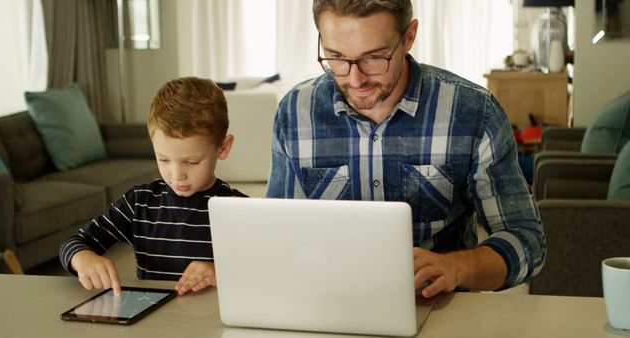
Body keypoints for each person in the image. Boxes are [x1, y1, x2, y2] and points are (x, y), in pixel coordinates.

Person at [266, 0, 546, 298]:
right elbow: (279, 235)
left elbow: (527, 240)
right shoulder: (295, 112)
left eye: (374, 58)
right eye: (336, 57)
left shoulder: (474, 112)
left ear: (409, 37)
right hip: (327, 303)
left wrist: (456, 267)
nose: (355, 79)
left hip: (439, 308)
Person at [59, 77, 246, 296]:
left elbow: (264, 268)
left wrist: (220, 272)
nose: (177, 175)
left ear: (223, 148)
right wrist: (81, 257)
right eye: (164, 159)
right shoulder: (138, 202)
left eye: (192, 161)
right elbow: (74, 242)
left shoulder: (239, 210)